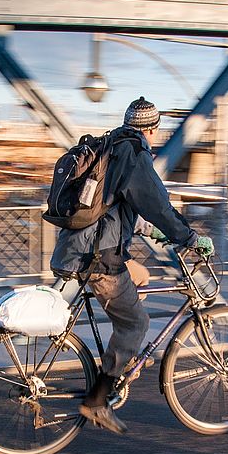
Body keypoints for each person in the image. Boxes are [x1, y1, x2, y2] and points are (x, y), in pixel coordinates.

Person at [50, 96, 213, 434]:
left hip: (78, 247)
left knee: (142, 275)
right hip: (99, 257)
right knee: (136, 324)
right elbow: (157, 204)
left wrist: (154, 231)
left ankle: (125, 362)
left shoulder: (112, 145)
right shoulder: (135, 154)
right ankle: (97, 400)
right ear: (152, 129)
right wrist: (187, 237)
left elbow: (116, 207)